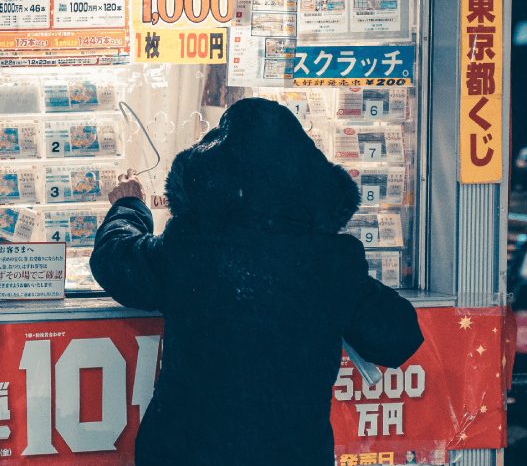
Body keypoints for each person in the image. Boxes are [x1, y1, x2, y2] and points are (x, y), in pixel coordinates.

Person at [90, 98, 424, 465]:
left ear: (209, 174)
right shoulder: (330, 260)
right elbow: (398, 337)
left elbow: (115, 262)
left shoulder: (191, 245)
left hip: (186, 450)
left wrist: (128, 207)